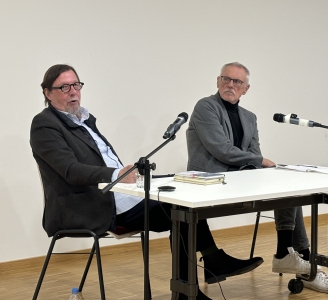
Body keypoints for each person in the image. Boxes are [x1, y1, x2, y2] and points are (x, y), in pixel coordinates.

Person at [30, 64, 264, 300]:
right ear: (47, 93)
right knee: (181, 210)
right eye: (64, 87)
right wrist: (117, 174)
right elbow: (70, 170)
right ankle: (201, 276)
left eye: (76, 85)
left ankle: (192, 286)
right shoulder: (45, 125)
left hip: (120, 195)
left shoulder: (84, 120)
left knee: (184, 204)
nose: (73, 92)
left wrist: (132, 178)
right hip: (88, 207)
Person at [186, 62, 328, 294]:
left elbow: (254, 153)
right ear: (217, 81)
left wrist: (258, 162)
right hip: (212, 181)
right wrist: (259, 161)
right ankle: (297, 260)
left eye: (237, 82)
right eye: (226, 79)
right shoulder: (205, 107)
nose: (230, 85)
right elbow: (222, 149)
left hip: (241, 179)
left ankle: (288, 254)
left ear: (246, 89)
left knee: (288, 182)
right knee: (277, 176)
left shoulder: (250, 117)